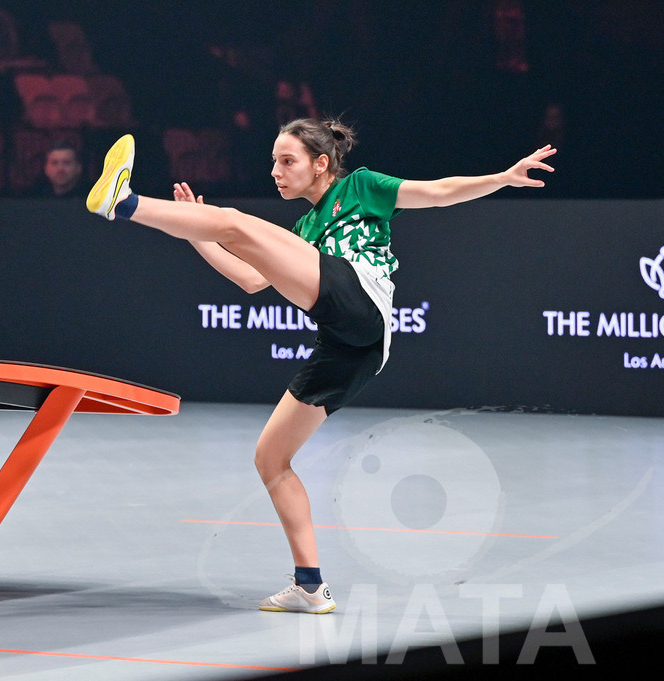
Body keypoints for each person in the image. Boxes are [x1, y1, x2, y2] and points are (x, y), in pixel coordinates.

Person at [86, 120, 556, 614]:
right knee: (270, 458)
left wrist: (503, 177)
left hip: (363, 303)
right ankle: (309, 586)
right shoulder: (304, 231)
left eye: (287, 161)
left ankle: (123, 202)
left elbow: (438, 193)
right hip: (350, 348)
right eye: (273, 163)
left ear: (321, 164)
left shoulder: (363, 187)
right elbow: (249, 280)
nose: (276, 172)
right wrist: (197, 233)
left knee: (235, 223)